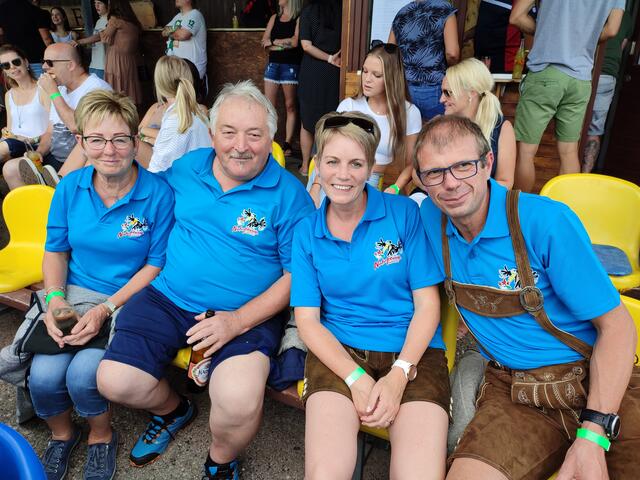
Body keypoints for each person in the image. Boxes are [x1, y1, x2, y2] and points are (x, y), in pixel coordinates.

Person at [96, 80, 315, 479]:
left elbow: (296, 276)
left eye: (254, 135)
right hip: (168, 298)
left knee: (237, 400)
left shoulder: (290, 196)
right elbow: (139, 190)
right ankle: (174, 409)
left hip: (246, 312)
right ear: (212, 134)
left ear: (271, 139)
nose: (240, 146)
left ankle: (221, 459)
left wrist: (237, 321)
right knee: (114, 381)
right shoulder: (187, 168)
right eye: (228, 132)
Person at [415, 114, 639, 480]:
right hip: (516, 392)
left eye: (463, 166)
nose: (450, 183)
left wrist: (594, 433)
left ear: (488, 162)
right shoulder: (429, 218)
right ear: (422, 180)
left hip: (597, 381)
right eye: (435, 173)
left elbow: (617, 327)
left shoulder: (545, 222)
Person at [291, 111, 449, 478]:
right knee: (325, 474)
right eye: (332, 162)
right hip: (340, 350)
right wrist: (356, 379)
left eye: (355, 164)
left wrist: (399, 374)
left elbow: (428, 304)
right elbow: (307, 321)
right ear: (317, 164)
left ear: (370, 167)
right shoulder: (306, 231)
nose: (343, 175)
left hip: (413, 351)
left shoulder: (404, 213)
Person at [30, 89, 174, 480]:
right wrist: (55, 300)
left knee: (82, 376)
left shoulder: (157, 193)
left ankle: (101, 435)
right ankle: (62, 435)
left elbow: (156, 264)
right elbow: (55, 250)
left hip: (126, 299)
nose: (108, 150)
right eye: (96, 139)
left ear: (135, 142)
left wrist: (106, 308)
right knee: (43, 376)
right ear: (81, 142)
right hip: (72, 293)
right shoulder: (69, 187)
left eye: (119, 139)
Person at [510, 0, 625, 192]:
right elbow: (612, 30)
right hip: (580, 79)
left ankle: (520, 207)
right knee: (569, 152)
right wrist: (583, 40)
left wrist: (545, 32)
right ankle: (565, 207)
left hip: (547, 71)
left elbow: (516, 16)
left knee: (526, 152)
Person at [308, 41, 422, 206]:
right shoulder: (349, 106)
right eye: (365, 71)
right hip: (331, 174)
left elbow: (412, 163)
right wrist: (316, 186)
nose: (367, 79)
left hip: (369, 179)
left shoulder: (409, 112)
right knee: (313, 214)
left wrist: (396, 187)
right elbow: (326, 150)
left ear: (392, 78)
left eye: (377, 75)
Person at [2, 42, 111, 189]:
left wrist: (53, 93)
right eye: (43, 62)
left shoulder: (96, 88)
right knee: (11, 168)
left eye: (50, 63)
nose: (44, 67)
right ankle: (37, 199)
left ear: (70, 65)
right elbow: (49, 131)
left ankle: (54, 190)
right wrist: (39, 152)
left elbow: (77, 127)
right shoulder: (62, 90)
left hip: (83, 159)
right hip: (54, 156)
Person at [582, 0, 634, 173]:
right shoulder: (626, 17)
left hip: (583, 69)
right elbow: (621, 46)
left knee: (571, 124)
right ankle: (585, 176)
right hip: (608, 74)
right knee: (594, 130)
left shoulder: (590, 5)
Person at [389, 0, 460, 121]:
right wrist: (453, 74)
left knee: (409, 130)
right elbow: (452, 54)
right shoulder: (445, 9)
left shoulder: (402, 13)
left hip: (404, 87)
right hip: (434, 87)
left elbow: (390, 52)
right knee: (435, 131)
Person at [297, 0, 342, 176]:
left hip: (312, 71)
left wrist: (328, 58)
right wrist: (333, 58)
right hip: (334, 70)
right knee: (330, 121)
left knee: (307, 122)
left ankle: (304, 166)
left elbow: (306, 46)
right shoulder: (342, 11)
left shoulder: (308, 11)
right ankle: (325, 166)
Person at [146, 55, 210, 172]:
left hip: (186, 179)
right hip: (196, 174)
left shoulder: (175, 119)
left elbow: (157, 170)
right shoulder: (195, 111)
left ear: (160, 84)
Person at [261, 0, 303, 156]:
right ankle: (269, 142)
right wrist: (283, 45)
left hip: (290, 66)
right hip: (273, 65)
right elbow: (264, 42)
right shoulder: (274, 18)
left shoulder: (298, 18)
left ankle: (287, 144)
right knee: (269, 107)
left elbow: (295, 42)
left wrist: (274, 43)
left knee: (290, 105)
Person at [0, 45, 49, 164]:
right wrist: (6, 133)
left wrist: (32, 140)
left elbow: (53, 128)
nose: (12, 67)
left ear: (26, 62)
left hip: (36, 146)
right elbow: (10, 129)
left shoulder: (43, 89)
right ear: (4, 70)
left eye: (16, 62)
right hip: (13, 145)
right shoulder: (9, 95)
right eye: (6, 65)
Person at [100, 0, 142, 104]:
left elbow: (104, 38)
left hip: (116, 59)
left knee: (115, 89)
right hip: (129, 61)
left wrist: (102, 31)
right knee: (128, 87)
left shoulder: (114, 20)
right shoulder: (133, 22)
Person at [0, 0, 52, 77]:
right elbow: (46, 39)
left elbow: (1, 34)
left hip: (13, 62)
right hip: (36, 59)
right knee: (42, 83)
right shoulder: (36, 11)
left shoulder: (2, 9)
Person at [163, 0, 207, 84]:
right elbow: (164, 30)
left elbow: (183, 35)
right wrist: (176, 31)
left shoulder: (195, 14)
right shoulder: (178, 16)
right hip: (177, 69)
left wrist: (171, 32)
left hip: (192, 70)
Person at [73, 0, 109, 80]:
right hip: (94, 63)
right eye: (95, 3)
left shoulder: (109, 20)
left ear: (107, 4)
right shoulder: (99, 21)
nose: (96, 6)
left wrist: (79, 41)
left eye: (99, 3)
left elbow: (99, 36)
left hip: (103, 64)